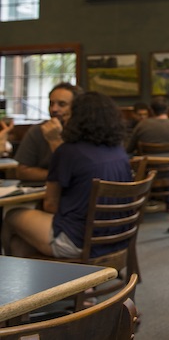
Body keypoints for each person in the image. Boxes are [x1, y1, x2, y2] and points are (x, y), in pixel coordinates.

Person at [1, 91, 132, 258]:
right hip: (118, 238)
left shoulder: (68, 151)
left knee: (12, 216)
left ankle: (6, 275)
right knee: (21, 239)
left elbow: (51, 205)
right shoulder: (119, 151)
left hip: (78, 240)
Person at [126, 96, 169, 212]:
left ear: (151, 110)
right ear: (167, 109)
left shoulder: (141, 126)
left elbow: (129, 149)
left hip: (147, 171)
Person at [13, 82, 83, 184]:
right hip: (39, 190)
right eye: (51, 104)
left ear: (76, 108)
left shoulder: (85, 132)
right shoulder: (37, 130)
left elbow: (79, 172)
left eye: (62, 104)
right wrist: (56, 175)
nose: (54, 109)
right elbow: (22, 171)